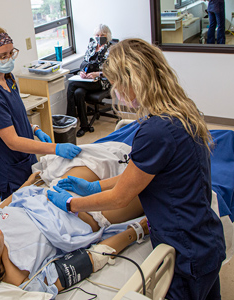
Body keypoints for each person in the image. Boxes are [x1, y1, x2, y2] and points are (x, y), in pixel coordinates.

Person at [47, 39, 226, 300]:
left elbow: (121, 197)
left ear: (133, 80)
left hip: (187, 247)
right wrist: (95, 186)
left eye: (117, 84)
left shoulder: (156, 131)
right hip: (204, 236)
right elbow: (139, 176)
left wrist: (73, 203)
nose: (116, 92)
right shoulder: (182, 109)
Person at [0, 169, 149, 299]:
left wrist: (27, 185)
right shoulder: (30, 282)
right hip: (88, 215)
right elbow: (93, 258)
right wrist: (137, 230)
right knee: (147, 184)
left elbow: (0, 208)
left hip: (51, 194)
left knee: (98, 161)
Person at [0, 26, 81, 200]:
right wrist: (56, 148)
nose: (8, 59)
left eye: (11, 53)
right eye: (2, 56)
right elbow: (13, 141)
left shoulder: (7, 77)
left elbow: (14, 117)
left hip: (24, 160)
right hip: (9, 169)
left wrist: (34, 129)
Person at [66, 24, 113, 137]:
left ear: (108, 36)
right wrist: (82, 71)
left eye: (103, 35)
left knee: (72, 85)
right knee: (78, 93)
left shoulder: (111, 49)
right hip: (88, 80)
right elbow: (85, 62)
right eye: (97, 35)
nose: (99, 37)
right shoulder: (92, 45)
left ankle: (69, 119)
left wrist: (97, 74)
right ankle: (84, 125)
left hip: (102, 81)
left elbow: (113, 71)